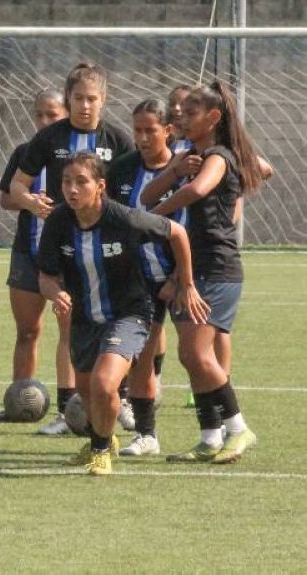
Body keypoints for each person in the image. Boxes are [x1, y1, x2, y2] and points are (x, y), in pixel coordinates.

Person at [36, 151, 208, 475]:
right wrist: (55, 292)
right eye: (66, 181)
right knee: (87, 392)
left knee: (104, 384)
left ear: (100, 186)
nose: (72, 189)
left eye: (81, 182)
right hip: (85, 320)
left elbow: (177, 233)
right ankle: (105, 438)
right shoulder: (59, 222)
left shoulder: (124, 219)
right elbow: (45, 276)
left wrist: (185, 282)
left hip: (129, 314)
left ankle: (100, 451)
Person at [8, 61, 134, 427]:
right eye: (78, 98)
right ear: (69, 98)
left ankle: (119, 399)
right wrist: (31, 201)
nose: (85, 105)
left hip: (100, 254)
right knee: (67, 325)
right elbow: (17, 184)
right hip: (57, 248)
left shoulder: (117, 141)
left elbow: (129, 192)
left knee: (101, 327)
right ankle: (69, 409)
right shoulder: (49, 138)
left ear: (103, 99)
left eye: (92, 99)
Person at [146, 82, 263, 464]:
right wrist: (175, 170)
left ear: (213, 118)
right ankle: (211, 437)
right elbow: (148, 196)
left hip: (218, 268)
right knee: (190, 355)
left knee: (198, 353)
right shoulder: (189, 155)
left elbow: (197, 191)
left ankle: (238, 428)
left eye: (190, 111)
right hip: (194, 266)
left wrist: (154, 215)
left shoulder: (219, 156)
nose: (179, 115)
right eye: (179, 111)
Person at [106, 98, 187, 455]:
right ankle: (147, 434)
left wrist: (178, 278)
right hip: (135, 278)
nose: (141, 137)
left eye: (149, 130)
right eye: (137, 130)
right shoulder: (122, 170)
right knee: (141, 352)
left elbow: (191, 230)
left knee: (199, 354)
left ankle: (219, 428)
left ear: (168, 130)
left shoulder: (188, 167)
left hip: (180, 278)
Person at [0, 88, 75, 432]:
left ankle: (71, 406)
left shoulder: (73, 156)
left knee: (70, 331)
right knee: (27, 330)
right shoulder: (24, 153)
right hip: (27, 252)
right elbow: (5, 198)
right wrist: (29, 202)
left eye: (52, 115)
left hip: (65, 256)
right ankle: (19, 398)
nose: (45, 121)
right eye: (40, 114)